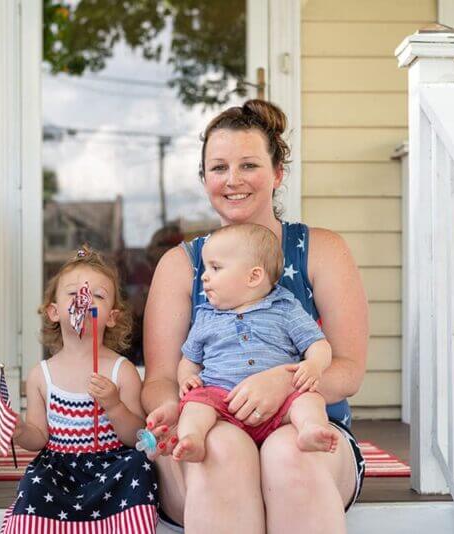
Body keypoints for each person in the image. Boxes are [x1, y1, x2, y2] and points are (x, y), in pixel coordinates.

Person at [141, 99, 369, 534]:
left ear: (277, 173)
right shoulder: (182, 264)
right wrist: (173, 411)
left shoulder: (321, 250)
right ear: (204, 178)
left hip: (305, 429)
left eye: (248, 165)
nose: (233, 181)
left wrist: (285, 381)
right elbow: (160, 378)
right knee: (219, 449)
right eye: (219, 168)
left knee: (289, 454)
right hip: (211, 425)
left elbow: (349, 369)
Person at [0, 246, 158, 533]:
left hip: (112, 468)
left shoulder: (121, 370)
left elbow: (135, 435)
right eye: (74, 294)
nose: (83, 302)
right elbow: (38, 437)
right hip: (59, 472)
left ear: (111, 316)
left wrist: (114, 405)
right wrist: (20, 430)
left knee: (138, 464)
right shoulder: (41, 375)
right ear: (53, 312)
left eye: (97, 296)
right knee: (34, 483)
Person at [173, 223, 341, 463]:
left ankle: (309, 430)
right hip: (221, 401)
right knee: (195, 405)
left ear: (253, 276)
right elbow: (189, 360)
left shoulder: (284, 308)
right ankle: (192, 439)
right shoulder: (206, 316)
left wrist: (314, 365)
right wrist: (186, 378)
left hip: (279, 405)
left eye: (216, 267)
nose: (204, 276)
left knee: (308, 399)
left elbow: (318, 344)